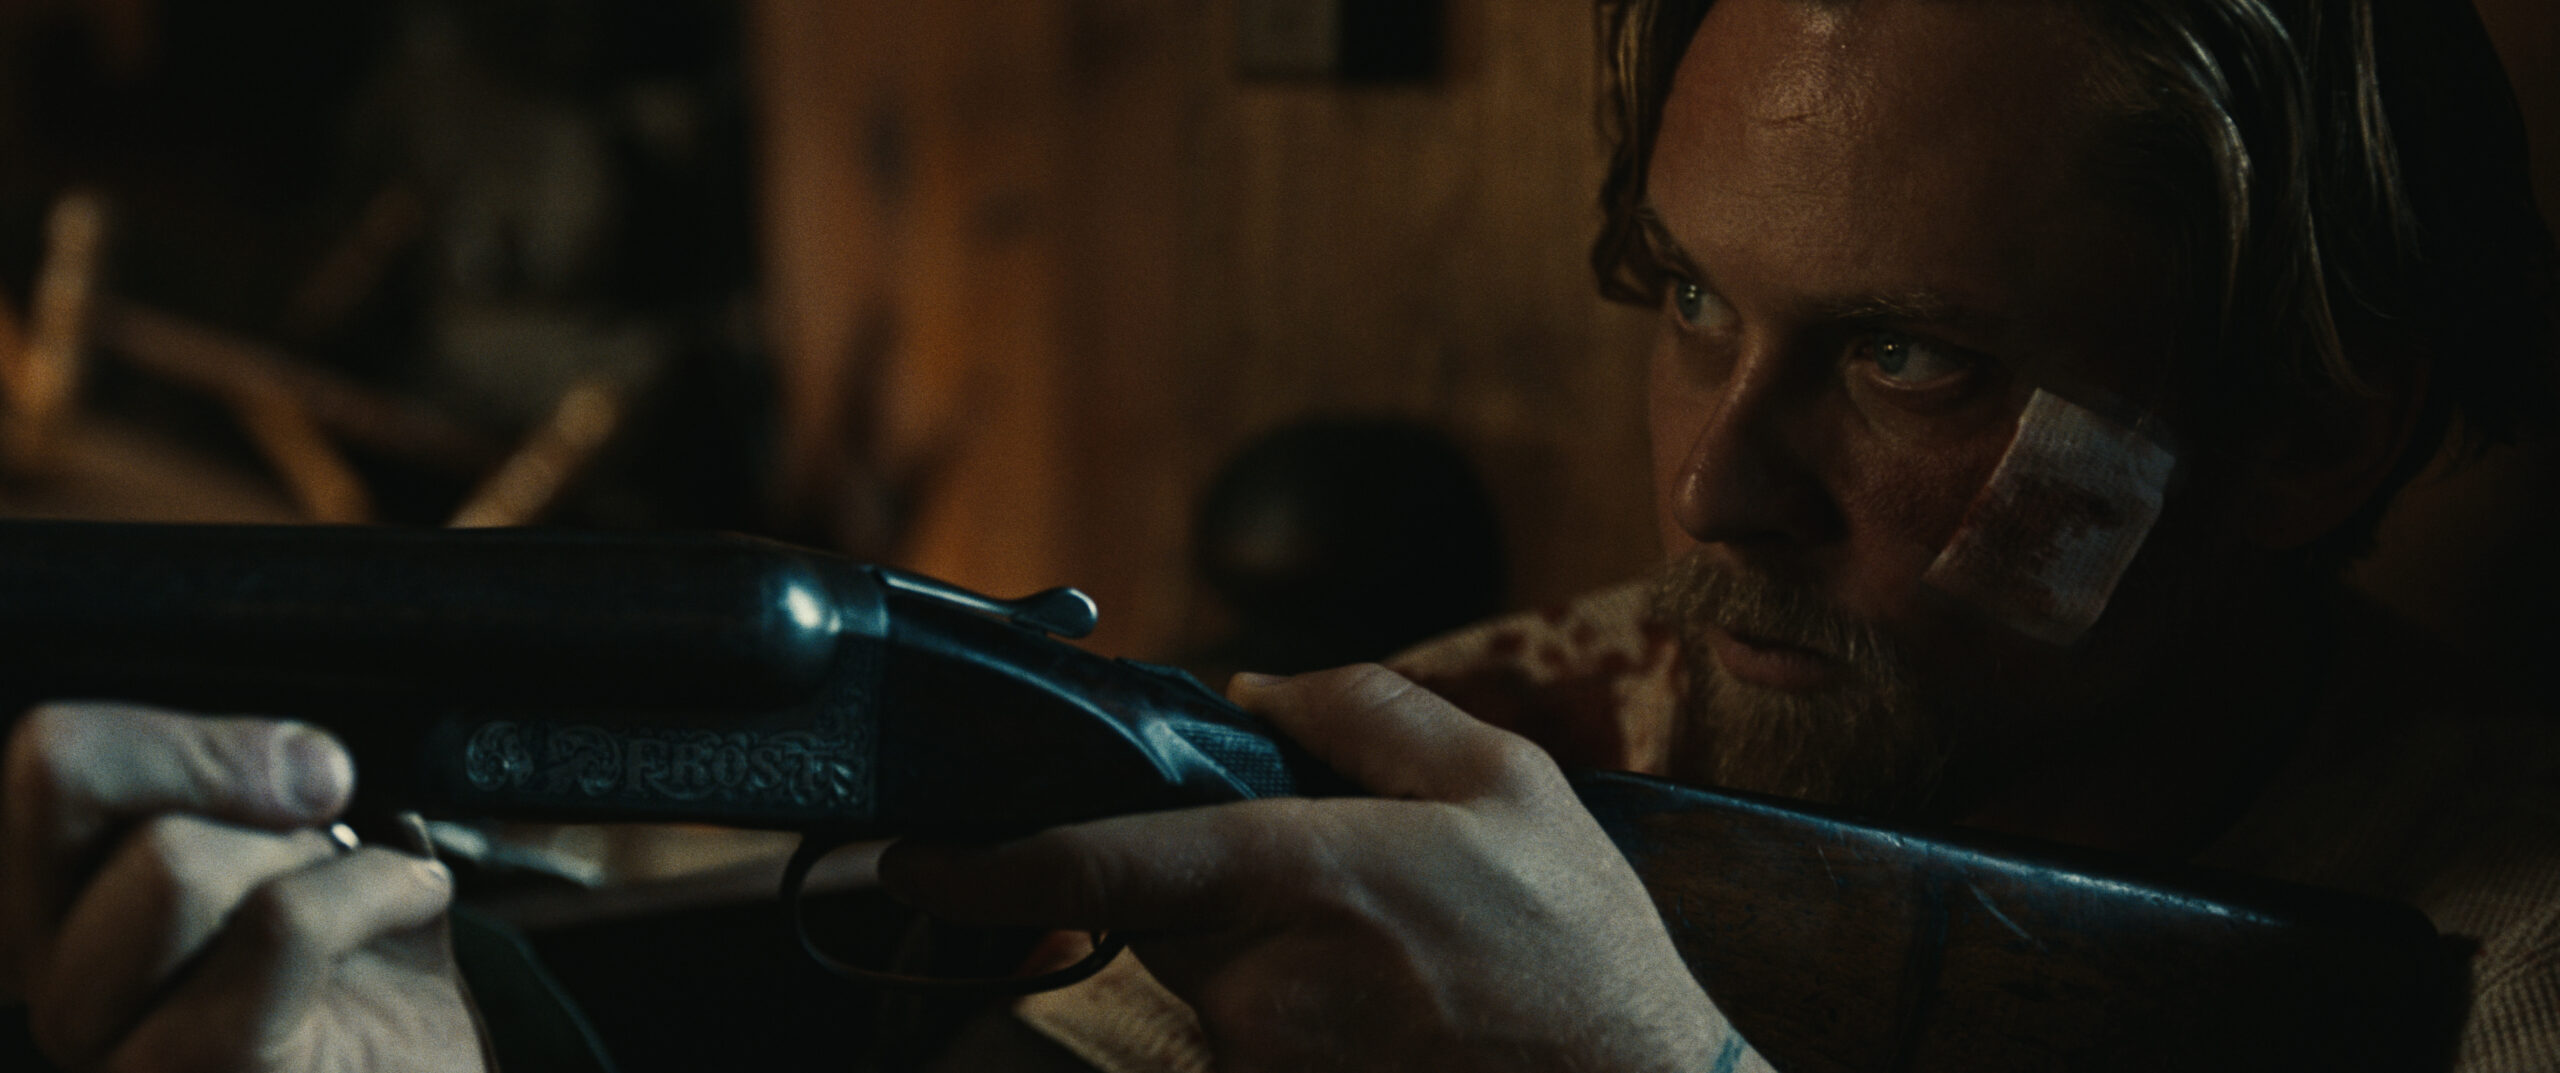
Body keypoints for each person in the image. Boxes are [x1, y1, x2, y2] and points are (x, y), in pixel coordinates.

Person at [6, 0, 2558, 1070]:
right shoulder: (1515, 733)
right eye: (1692, 302)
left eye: (1906, 358)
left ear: (2309, 436)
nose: (1708, 484)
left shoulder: (2501, 954)